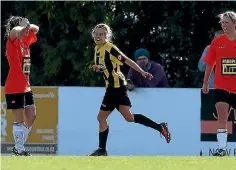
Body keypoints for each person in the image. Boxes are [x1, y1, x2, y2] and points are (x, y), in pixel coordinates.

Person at [89, 23, 171, 156]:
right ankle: (160, 127)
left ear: (106, 36)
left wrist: (143, 72)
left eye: (101, 34)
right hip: (114, 87)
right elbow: (108, 66)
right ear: (93, 35)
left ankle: (102, 150)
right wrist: (99, 68)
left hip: (116, 88)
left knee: (101, 117)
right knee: (129, 117)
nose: (98, 36)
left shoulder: (110, 48)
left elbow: (127, 61)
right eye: (96, 34)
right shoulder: (98, 49)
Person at [202, 11, 236, 157]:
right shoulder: (217, 42)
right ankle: (222, 149)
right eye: (222, 23)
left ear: (234, 23)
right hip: (221, 86)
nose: (224, 25)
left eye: (226, 22)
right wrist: (205, 83)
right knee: (222, 117)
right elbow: (210, 64)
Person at [4, 16, 39, 156]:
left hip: (26, 86)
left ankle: (18, 147)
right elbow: (14, 31)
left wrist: (27, 26)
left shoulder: (25, 41)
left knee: (31, 117)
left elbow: (36, 29)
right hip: (14, 86)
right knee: (19, 119)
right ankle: (19, 150)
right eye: (23, 26)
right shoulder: (12, 41)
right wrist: (22, 27)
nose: (26, 28)